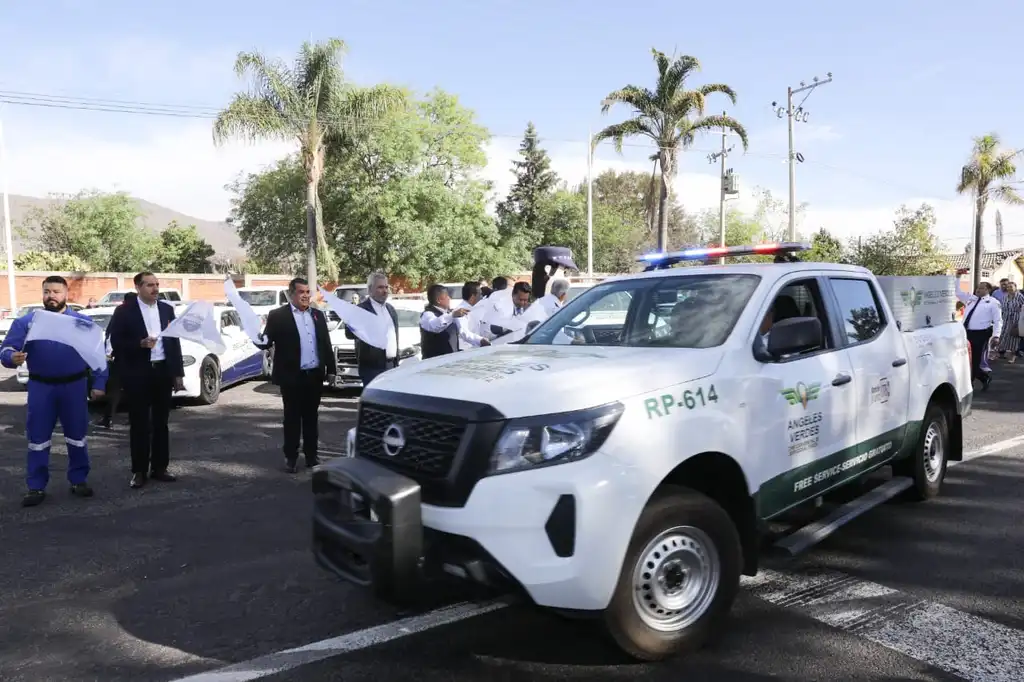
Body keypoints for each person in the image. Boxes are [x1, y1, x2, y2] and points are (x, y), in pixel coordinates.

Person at [0, 275, 108, 507]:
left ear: (66, 294)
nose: (51, 296)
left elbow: (98, 355)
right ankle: (36, 486)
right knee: (37, 438)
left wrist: (99, 383)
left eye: (56, 292)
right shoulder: (27, 322)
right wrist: (12, 357)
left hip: (74, 386)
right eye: (47, 291)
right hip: (41, 387)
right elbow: (6, 349)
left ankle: (79, 479)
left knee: (77, 436)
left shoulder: (81, 323)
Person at [107, 272, 185, 488]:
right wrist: (139, 344)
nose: (155, 289)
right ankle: (139, 471)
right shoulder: (124, 311)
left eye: (157, 285)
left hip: (162, 372)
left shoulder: (167, 309)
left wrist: (177, 374)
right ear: (138, 287)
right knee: (140, 424)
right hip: (138, 373)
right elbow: (116, 342)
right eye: (150, 285)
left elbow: (174, 342)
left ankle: (160, 467)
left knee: (161, 423)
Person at [258, 277, 336, 473]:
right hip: (292, 377)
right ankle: (291, 457)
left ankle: (311, 456)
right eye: (302, 292)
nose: (306, 296)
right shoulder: (278, 316)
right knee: (292, 418)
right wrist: (256, 337)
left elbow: (325, 344)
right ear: (291, 294)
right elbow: (266, 342)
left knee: (311, 418)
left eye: (308, 292)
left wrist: (332, 370)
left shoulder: (317, 315)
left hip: (314, 375)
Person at [345, 272, 399, 386]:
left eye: (386, 287)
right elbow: (349, 333)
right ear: (370, 290)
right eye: (380, 287)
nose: (385, 291)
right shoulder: (361, 310)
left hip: (391, 366)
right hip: (372, 369)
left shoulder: (390, 309)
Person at [95, 292, 135, 429]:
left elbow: (111, 334)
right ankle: (134, 418)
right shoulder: (139, 313)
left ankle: (108, 418)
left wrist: (109, 353)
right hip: (135, 360)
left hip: (119, 359)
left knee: (115, 391)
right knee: (134, 391)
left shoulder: (120, 311)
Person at [420, 284, 489, 359]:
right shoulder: (427, 315)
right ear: (438, 300)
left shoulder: (449, 313)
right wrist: (452, 315)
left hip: (450, 360)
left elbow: (464, 332)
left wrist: (480, 340)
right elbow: (435, 326)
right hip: (433, 363)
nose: (449, 299)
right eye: (447, 296)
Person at [956, 282, 1002, 390]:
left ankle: (969, 384)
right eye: (978, 287)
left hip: (980, 334)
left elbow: (998, 320)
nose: (978, 290)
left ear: (988, 290)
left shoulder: (993, 303)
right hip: (966, 332)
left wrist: (996, 335)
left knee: (975, 360)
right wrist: (958, 278)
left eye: (982, 288)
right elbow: (957, 291)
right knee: (965, 359)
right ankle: (983, 377)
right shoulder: (971, 299)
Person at [997, 281, 1024, 363]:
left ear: (1015, 288)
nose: (1009, 288)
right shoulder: (1005, 297)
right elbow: (1002, 308)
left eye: (1011, 287)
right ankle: (1005, 352)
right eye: (1008, 287)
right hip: (1005, 319)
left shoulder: (1020, 297)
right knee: (1004, 336)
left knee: (1014, 338)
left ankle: (1013, 356)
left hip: (1016, 319)